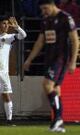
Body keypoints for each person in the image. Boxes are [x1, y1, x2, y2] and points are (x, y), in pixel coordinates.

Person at [23, 0, 79, 133]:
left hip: (60, 58)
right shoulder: (46, 20)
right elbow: (40, 41)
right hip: (49, 58)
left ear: (52, 5)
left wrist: (73, 61)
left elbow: (75, 40)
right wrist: (29, 59)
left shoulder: (65, 18)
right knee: (56, 89)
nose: (43, 12)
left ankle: (58, 119)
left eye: (45, 9)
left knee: (47, 85)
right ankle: (58, 122)